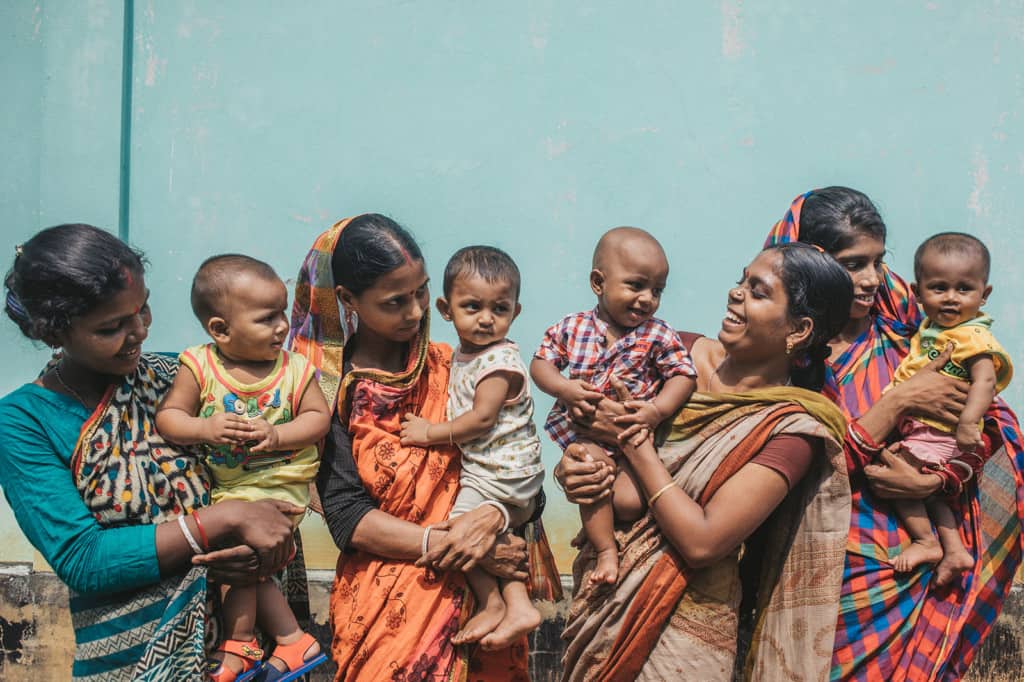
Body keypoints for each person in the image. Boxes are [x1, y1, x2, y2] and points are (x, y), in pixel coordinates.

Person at [0, 225, 300, 681]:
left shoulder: (177, 378)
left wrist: (265, 544)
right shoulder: (24, 421)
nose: (138, 331)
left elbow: (262, 474)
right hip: (133, 662)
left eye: (143, 310)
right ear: (54, 332)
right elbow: (85, 559)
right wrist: (222, 521)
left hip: (245, 654)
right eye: (112, 326)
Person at [557, 242, 854, 680]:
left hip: (686, 632)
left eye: (758, 291)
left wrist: (637, 445)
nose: (736, 294)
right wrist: (574, 467)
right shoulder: (671, 355)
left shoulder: (792, 431)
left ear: (798, 329)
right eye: (741, 281)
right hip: (603, 602)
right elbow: (586, 430)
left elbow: (703, 542)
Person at [764, 188, 1024, 680]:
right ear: (812, 264)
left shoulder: (912, 335)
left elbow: (990, 427)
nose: (871, 280)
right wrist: (898, 403)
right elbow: (791, 465)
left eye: (878, 262)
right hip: (820, 575)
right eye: (853, 264)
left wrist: (937, 483)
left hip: (915, 576)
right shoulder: (782, 354)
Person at [288, 214, 561, 680]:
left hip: (484, 613)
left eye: (420, 293)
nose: (415, 312)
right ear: (348, 300)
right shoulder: (324, 393)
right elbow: (346, 516)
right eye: (395, 301)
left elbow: (520, 471)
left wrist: (494, 517)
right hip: (387, 610)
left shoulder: (461, 365)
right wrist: (455, 544)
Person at [156, 254, 331, 681]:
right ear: (220, 329)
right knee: (246, 564)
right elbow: (169, 417)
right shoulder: (199, 366)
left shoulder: (294, 369)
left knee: (240, 557)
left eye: (281, 313)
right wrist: (205, 427)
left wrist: (278, 436)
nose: (280, 327)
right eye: (266, 318)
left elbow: (318, 418)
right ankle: (292, 640)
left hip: (280, 484)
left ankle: (240, 645)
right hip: (230, 489)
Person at [531, 227, 697, 585]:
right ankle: (606, 550)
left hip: (635, 436)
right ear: (598, 282)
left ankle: (597, 528)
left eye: (657, 290)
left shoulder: (658, 334)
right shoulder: (572, 328)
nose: (647, 299)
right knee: (591, 477)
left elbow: (683, 375)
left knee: (628, 503)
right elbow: (540, 365)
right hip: (589, 435)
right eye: (636, 285)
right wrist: (565, 388)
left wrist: (657, 411)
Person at [399, 246, 544, 648]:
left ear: (515, 312)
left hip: (502, 475)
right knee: (473, 533)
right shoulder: (468, 355)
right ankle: (514, 604)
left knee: (460, 532)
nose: (486, 318)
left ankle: (494, 602)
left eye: (499, 308)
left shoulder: (498, 363)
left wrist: (429, 433)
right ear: (446, 309)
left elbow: (481, 419)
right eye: (472, 306)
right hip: (498, 472)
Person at [885, 233, 1012, 576]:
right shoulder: (930, 331)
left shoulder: (972, 336)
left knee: (896, 472)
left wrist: (968, 423)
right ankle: (955, 551)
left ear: (984, 295)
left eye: (964, 289)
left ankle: (926, 542)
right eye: (939, 288)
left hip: (946, 432)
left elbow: (984, 381)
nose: (951, 299)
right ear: (917, 292)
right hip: (929, 430)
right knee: (935, 497)